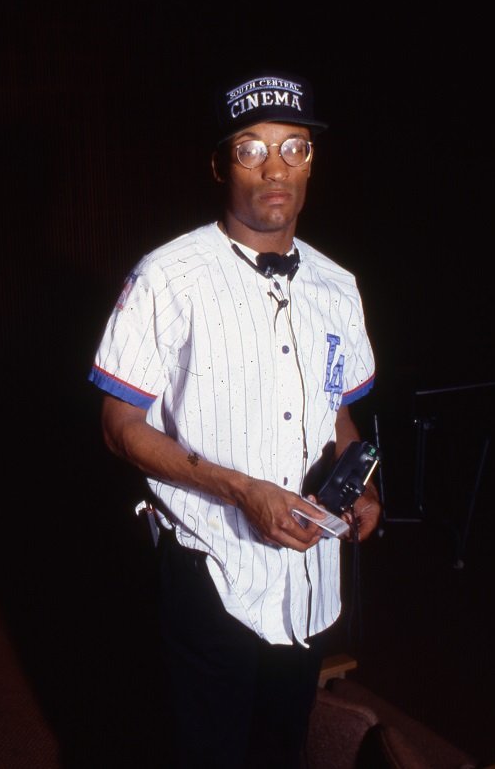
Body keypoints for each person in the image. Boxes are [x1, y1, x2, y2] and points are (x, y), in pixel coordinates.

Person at [89, 71, 381, 768]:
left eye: (294, 148)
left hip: (309, 577)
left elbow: (335, 403)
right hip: (209, 562)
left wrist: (360, 481)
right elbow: (118, 424)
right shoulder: (168, 275)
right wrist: (240, 490)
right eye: (252, 149)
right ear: (221, 163)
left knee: (285, 746)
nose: (275, 168)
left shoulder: (338, 286)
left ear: (312, 161)